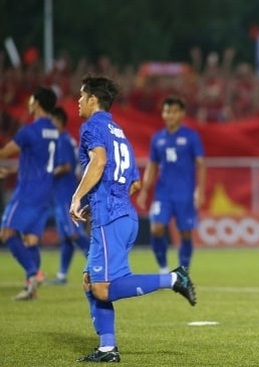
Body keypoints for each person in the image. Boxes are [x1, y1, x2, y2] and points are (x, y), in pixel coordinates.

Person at [70, 75, 197, 363]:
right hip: (123, 214)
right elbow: (134, 183)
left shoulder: (92, 127)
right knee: (91, 281)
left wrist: (79, 197)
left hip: (110, 217)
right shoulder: (118, 131)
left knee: (103, 287)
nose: (78, 101)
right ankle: (107, 348)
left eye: (81, 96)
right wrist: (99, 199)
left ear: (93, 99)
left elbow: (99, 162)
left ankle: (174, 278)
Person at [0, 86, 59, 300]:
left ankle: (34, 273)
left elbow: (7, 151)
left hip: (27, 192)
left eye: (31, 99)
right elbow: (38, 161)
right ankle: (31, 288)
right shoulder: (54, 131)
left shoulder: (29, 131)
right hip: (46, 192)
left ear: (36, 103)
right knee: (31, 239)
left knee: (7, 233)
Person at [136, 96, 206, 273]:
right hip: (163, 193)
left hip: (185, 193)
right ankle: (164, 269)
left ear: (182, 114)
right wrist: (144, 191)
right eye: (167, 111)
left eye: (175, 111)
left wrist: (200, 190)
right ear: (163, 114)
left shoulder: (191, 137)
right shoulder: (157, 138)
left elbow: (201, 164)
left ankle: (183, 271)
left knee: (185, 233)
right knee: (156, 228)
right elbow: (152, 165)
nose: (170, 115)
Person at [46, 106, 91, 285]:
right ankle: (62, 275)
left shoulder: (62, 140)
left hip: (66, 194)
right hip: (60, 195)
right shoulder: (64, 140)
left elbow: (65, 166)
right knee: (66, 237)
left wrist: (47, 174)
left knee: (73, 234)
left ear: (58, 121)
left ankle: (99, 263)